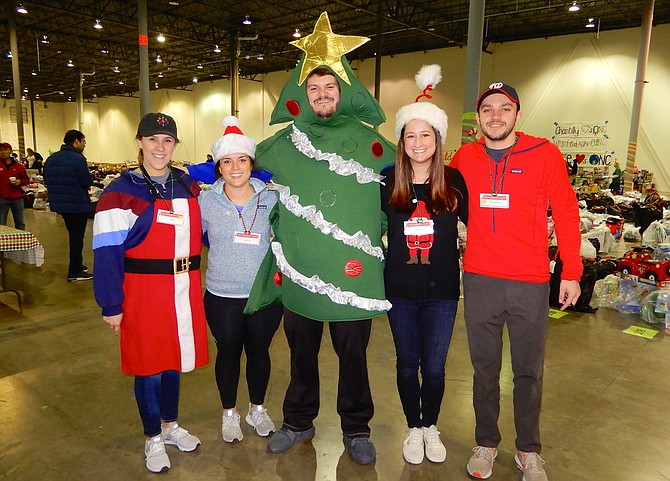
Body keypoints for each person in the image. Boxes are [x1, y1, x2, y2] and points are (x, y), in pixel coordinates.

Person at [254, 12, 396, 465]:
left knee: (353, 356)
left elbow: (406, 188)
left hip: (353, 280)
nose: (321, 95)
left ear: (343, 91)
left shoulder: (370, 143)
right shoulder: (282, 145)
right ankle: (298, 420)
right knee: (300, 355)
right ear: (302, 94)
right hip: (298, 273)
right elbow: (238, 171)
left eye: (329, 88)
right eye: (313, 89)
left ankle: (356, 427)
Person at [451, 82, 582, 481]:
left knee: (528, 370)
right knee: (484, 368)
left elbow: (566, 211)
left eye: (504, 108)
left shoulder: (543, 153)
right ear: (479, 118)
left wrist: (572, 271)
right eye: (487, 109)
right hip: (480, 280)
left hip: (529, 280)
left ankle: (528, 450)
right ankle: (486, 443)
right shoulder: (464, 158)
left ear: (517, 114)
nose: (495, 116)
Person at [92, 113, 208, 474]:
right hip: (142, 293)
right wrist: (111, 304)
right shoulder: (119, 192)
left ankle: (171, 426)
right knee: (149, 367)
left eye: (168, 140)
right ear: (140, 142)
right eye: (153, 139)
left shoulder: (186, 185)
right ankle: (152, 436)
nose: (161, 147)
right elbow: (107, 252)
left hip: (184, 289)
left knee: (174, 362)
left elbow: (203, 234)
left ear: (175, 145)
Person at [382, 65, 468, 465]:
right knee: (406, 363)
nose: (418, 143)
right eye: (410, 135)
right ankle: (412, 427)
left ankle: (430, 424)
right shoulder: (387, 182)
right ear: (402, 140)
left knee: (434, 368)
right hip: (399, 291)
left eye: (426, 134)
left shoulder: (455, 182)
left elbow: (484, 227)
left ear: (438, 138)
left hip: (442, 294)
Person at [199, 116, 282, 443]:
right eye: (227, 161)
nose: (235, 167)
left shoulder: (272, 198)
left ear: (251, 164)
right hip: (221, 295)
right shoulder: (206, 201)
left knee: (260, 352)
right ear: (219, 166)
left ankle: (257, 409)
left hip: (262, 295)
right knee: (228, 352)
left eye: (242, 160)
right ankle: (229, 413)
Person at [43, 130, 95, 281]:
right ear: (76, 141)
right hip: (77, 204)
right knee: (77, 238)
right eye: (83, 142)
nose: (84, 145)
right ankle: (74, 271)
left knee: (74, 236)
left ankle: (77, 265)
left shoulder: (52, 159)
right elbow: (86, 181)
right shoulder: (78, 159)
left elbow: (47, 178)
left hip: (61, 204)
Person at [0, 142, 29, 230]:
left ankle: (21, 241)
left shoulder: (19, 166)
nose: (3, 152)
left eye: (5, 150)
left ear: (11, 151)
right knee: (1, 223)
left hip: (17, 198)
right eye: (0, 150)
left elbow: (26, 180)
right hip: (2, 198)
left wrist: (19, 182)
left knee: (20, 223)